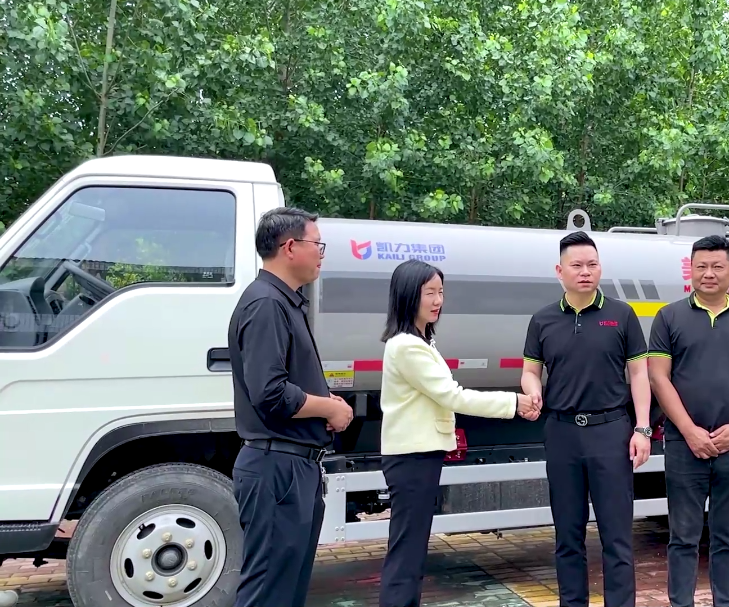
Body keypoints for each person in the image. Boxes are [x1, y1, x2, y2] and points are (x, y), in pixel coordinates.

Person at [378, 258, 541, 607]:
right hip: (412, 457)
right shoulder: (406, 346)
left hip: (418, 455)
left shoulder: (421, 341)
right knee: (407, 551)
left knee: (411, 547)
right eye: (429, 293)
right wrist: (514, 402)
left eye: (441, 292)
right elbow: (453, 396)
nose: (438, 300)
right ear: (408, 295)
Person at [228, 207, 355, 607]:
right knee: (269, 591)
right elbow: (270, 393)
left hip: (290, 467)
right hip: (277, 470)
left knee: (285, 590)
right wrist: (328, 409)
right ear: (289, 247)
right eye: (317, 244)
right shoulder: (266, 304)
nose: (322, 253)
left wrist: (324, 403)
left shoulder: (283, 302)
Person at [520, 231, 653, 607]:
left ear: (600, 269)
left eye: (592, 264)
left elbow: (639, 374)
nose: (585, 272)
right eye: (576, 265)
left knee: (617, 537)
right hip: (562, 433)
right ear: (559, 271)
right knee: (568, 536)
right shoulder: (543, 320)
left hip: (611, 432)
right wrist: (533, 390)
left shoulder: (621, 315)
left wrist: (642, 428)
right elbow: (530, 371)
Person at [646, 234, 729, 607]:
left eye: (717, 266)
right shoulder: (669, 317)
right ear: (691, 270)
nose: (709, 273)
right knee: (683, 537)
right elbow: (658, 378)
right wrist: (689, 431)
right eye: (701, 266)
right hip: (685, 446)